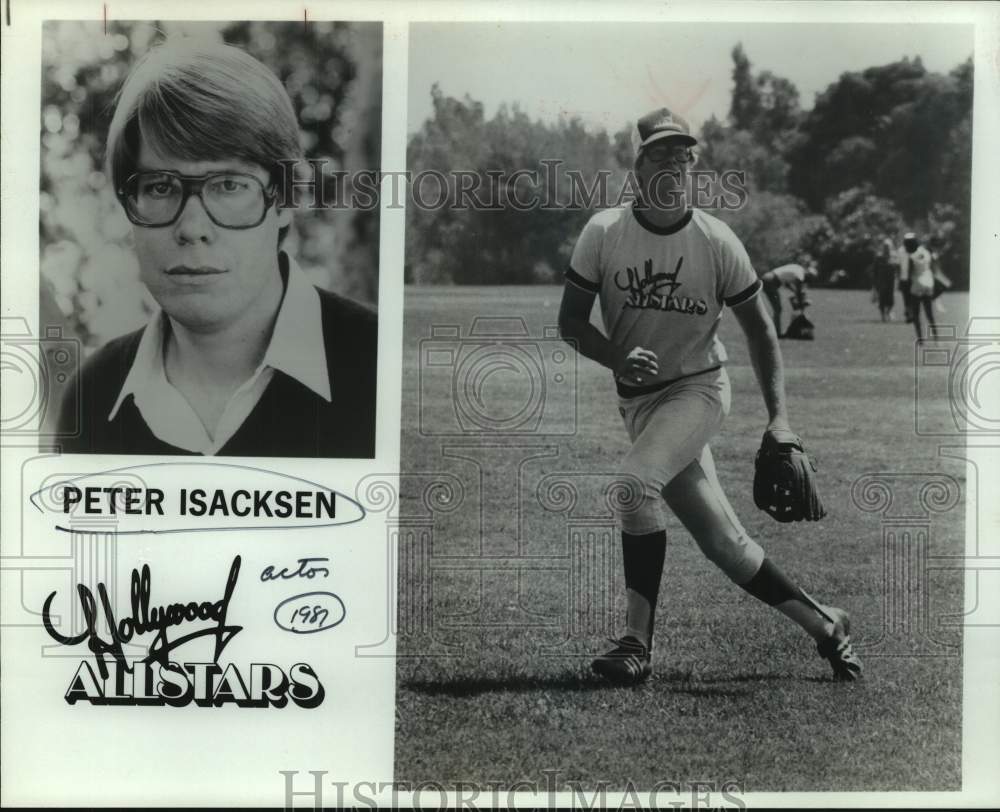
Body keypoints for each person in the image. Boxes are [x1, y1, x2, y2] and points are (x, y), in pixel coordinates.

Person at [558, 106, 861, 684]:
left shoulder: (715, 240)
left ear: (694, 166)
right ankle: (827, 626)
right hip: (638, 402)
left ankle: (634, 644)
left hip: (698, 390)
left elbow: (760, 329)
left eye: (684, 154)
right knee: (725, 543)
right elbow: (571, 323)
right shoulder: (604, 232)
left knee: (631, 486)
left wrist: (780, 420)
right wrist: (617, 356)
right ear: (638, 163)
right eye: (661, 153)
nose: (674, 163)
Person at [57, 39, 377, 457]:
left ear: (284, 199)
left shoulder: (379, 367)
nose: (192, 227)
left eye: (228, 185)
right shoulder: (92, 398)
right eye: (159, 187)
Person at [759, 260, 816, 337]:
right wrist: (801, 304)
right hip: (771, 281)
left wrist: (795, 292)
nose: (808, 280)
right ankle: (776, 333)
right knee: (778, 309)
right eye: (809, 277)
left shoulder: (797, 268)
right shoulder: (800, 273)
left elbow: (787, 283)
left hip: (767, 278)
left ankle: (774, 332)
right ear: (807, 273)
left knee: (777, 309)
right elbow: (798, 288)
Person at [899, 231, 936, 340]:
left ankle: (920, 339)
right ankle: (936, 337)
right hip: (929, 282)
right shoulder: (926, 252)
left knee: (916, 314)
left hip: (917, 284)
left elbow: (910, 274)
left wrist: (906, 287)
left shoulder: (911, 257)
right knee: (929, 313)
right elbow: (932, 266)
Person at [870, 238, 897, 322]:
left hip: (891, 282)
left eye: (888, 247)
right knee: (882, 299)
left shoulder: (894, 257)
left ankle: (888, 312)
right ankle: (883, 315)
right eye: (885, 246)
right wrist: (874, 283)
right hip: (881, 282)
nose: (886, 248)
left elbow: (897, 269)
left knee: (891, 301)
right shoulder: (879, 257)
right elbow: (874, 271)